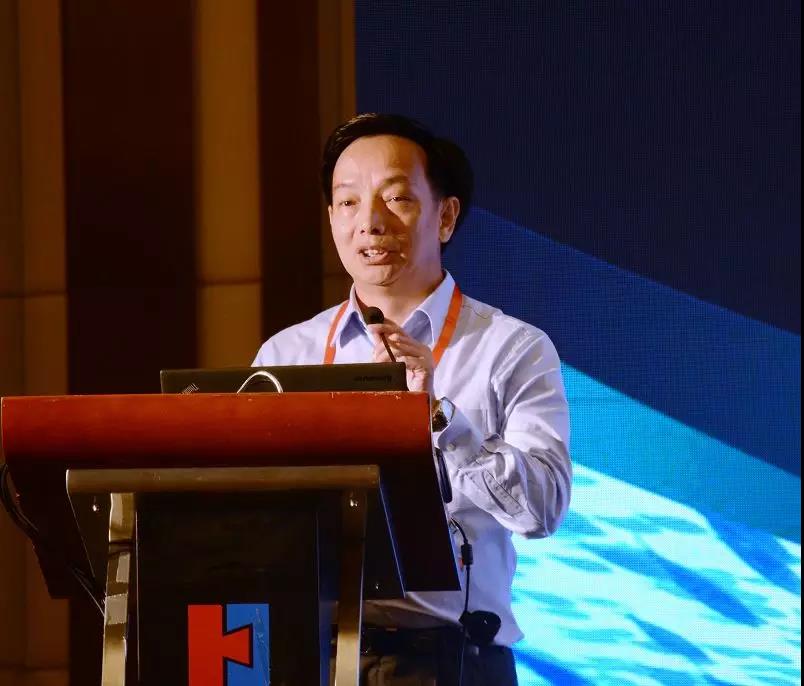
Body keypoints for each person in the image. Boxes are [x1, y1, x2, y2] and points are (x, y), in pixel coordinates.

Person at [253, 113, 572, 686]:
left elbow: (541, 510)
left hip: (449, 662)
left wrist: (438, 418)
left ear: (445, 216)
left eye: (396, 198)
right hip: (308, 656)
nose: (370, 222)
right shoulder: (286, 354)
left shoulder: (510, 348)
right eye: (348, 202)